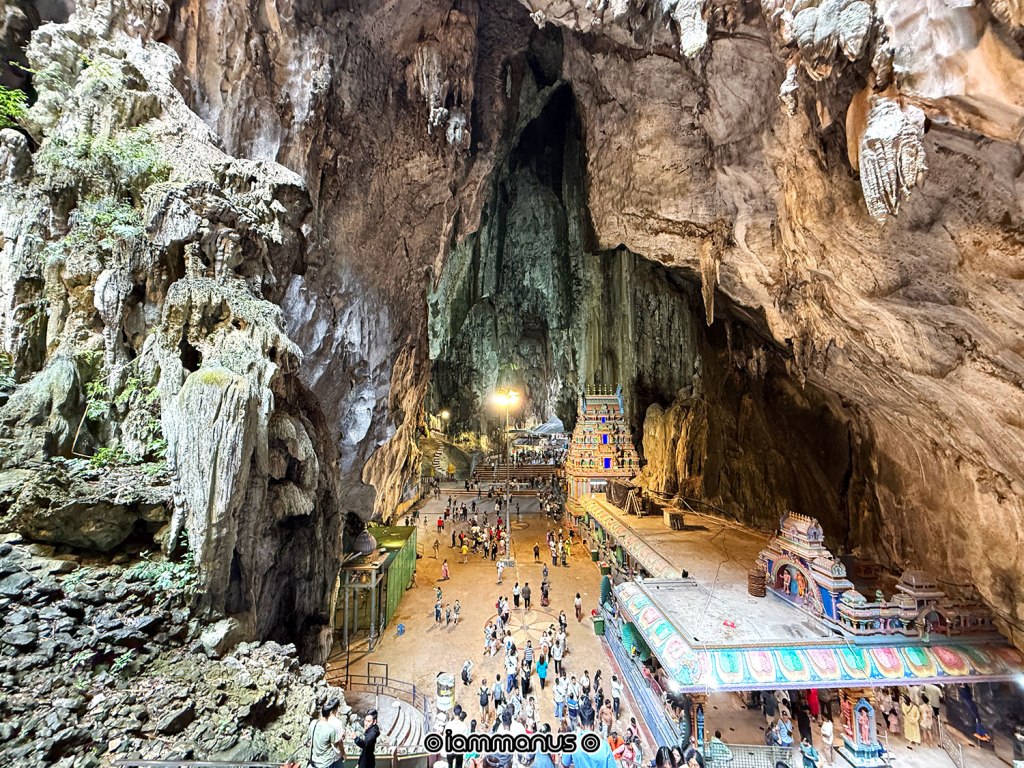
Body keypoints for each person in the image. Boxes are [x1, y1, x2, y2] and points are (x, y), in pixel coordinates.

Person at [306, 698, 345, 768]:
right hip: (327, 763)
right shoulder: (330, 729)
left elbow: (309, 737)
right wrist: (341, 736)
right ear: (330, 712)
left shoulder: (313, 723)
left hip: (315, 761)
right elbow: (336, 744)